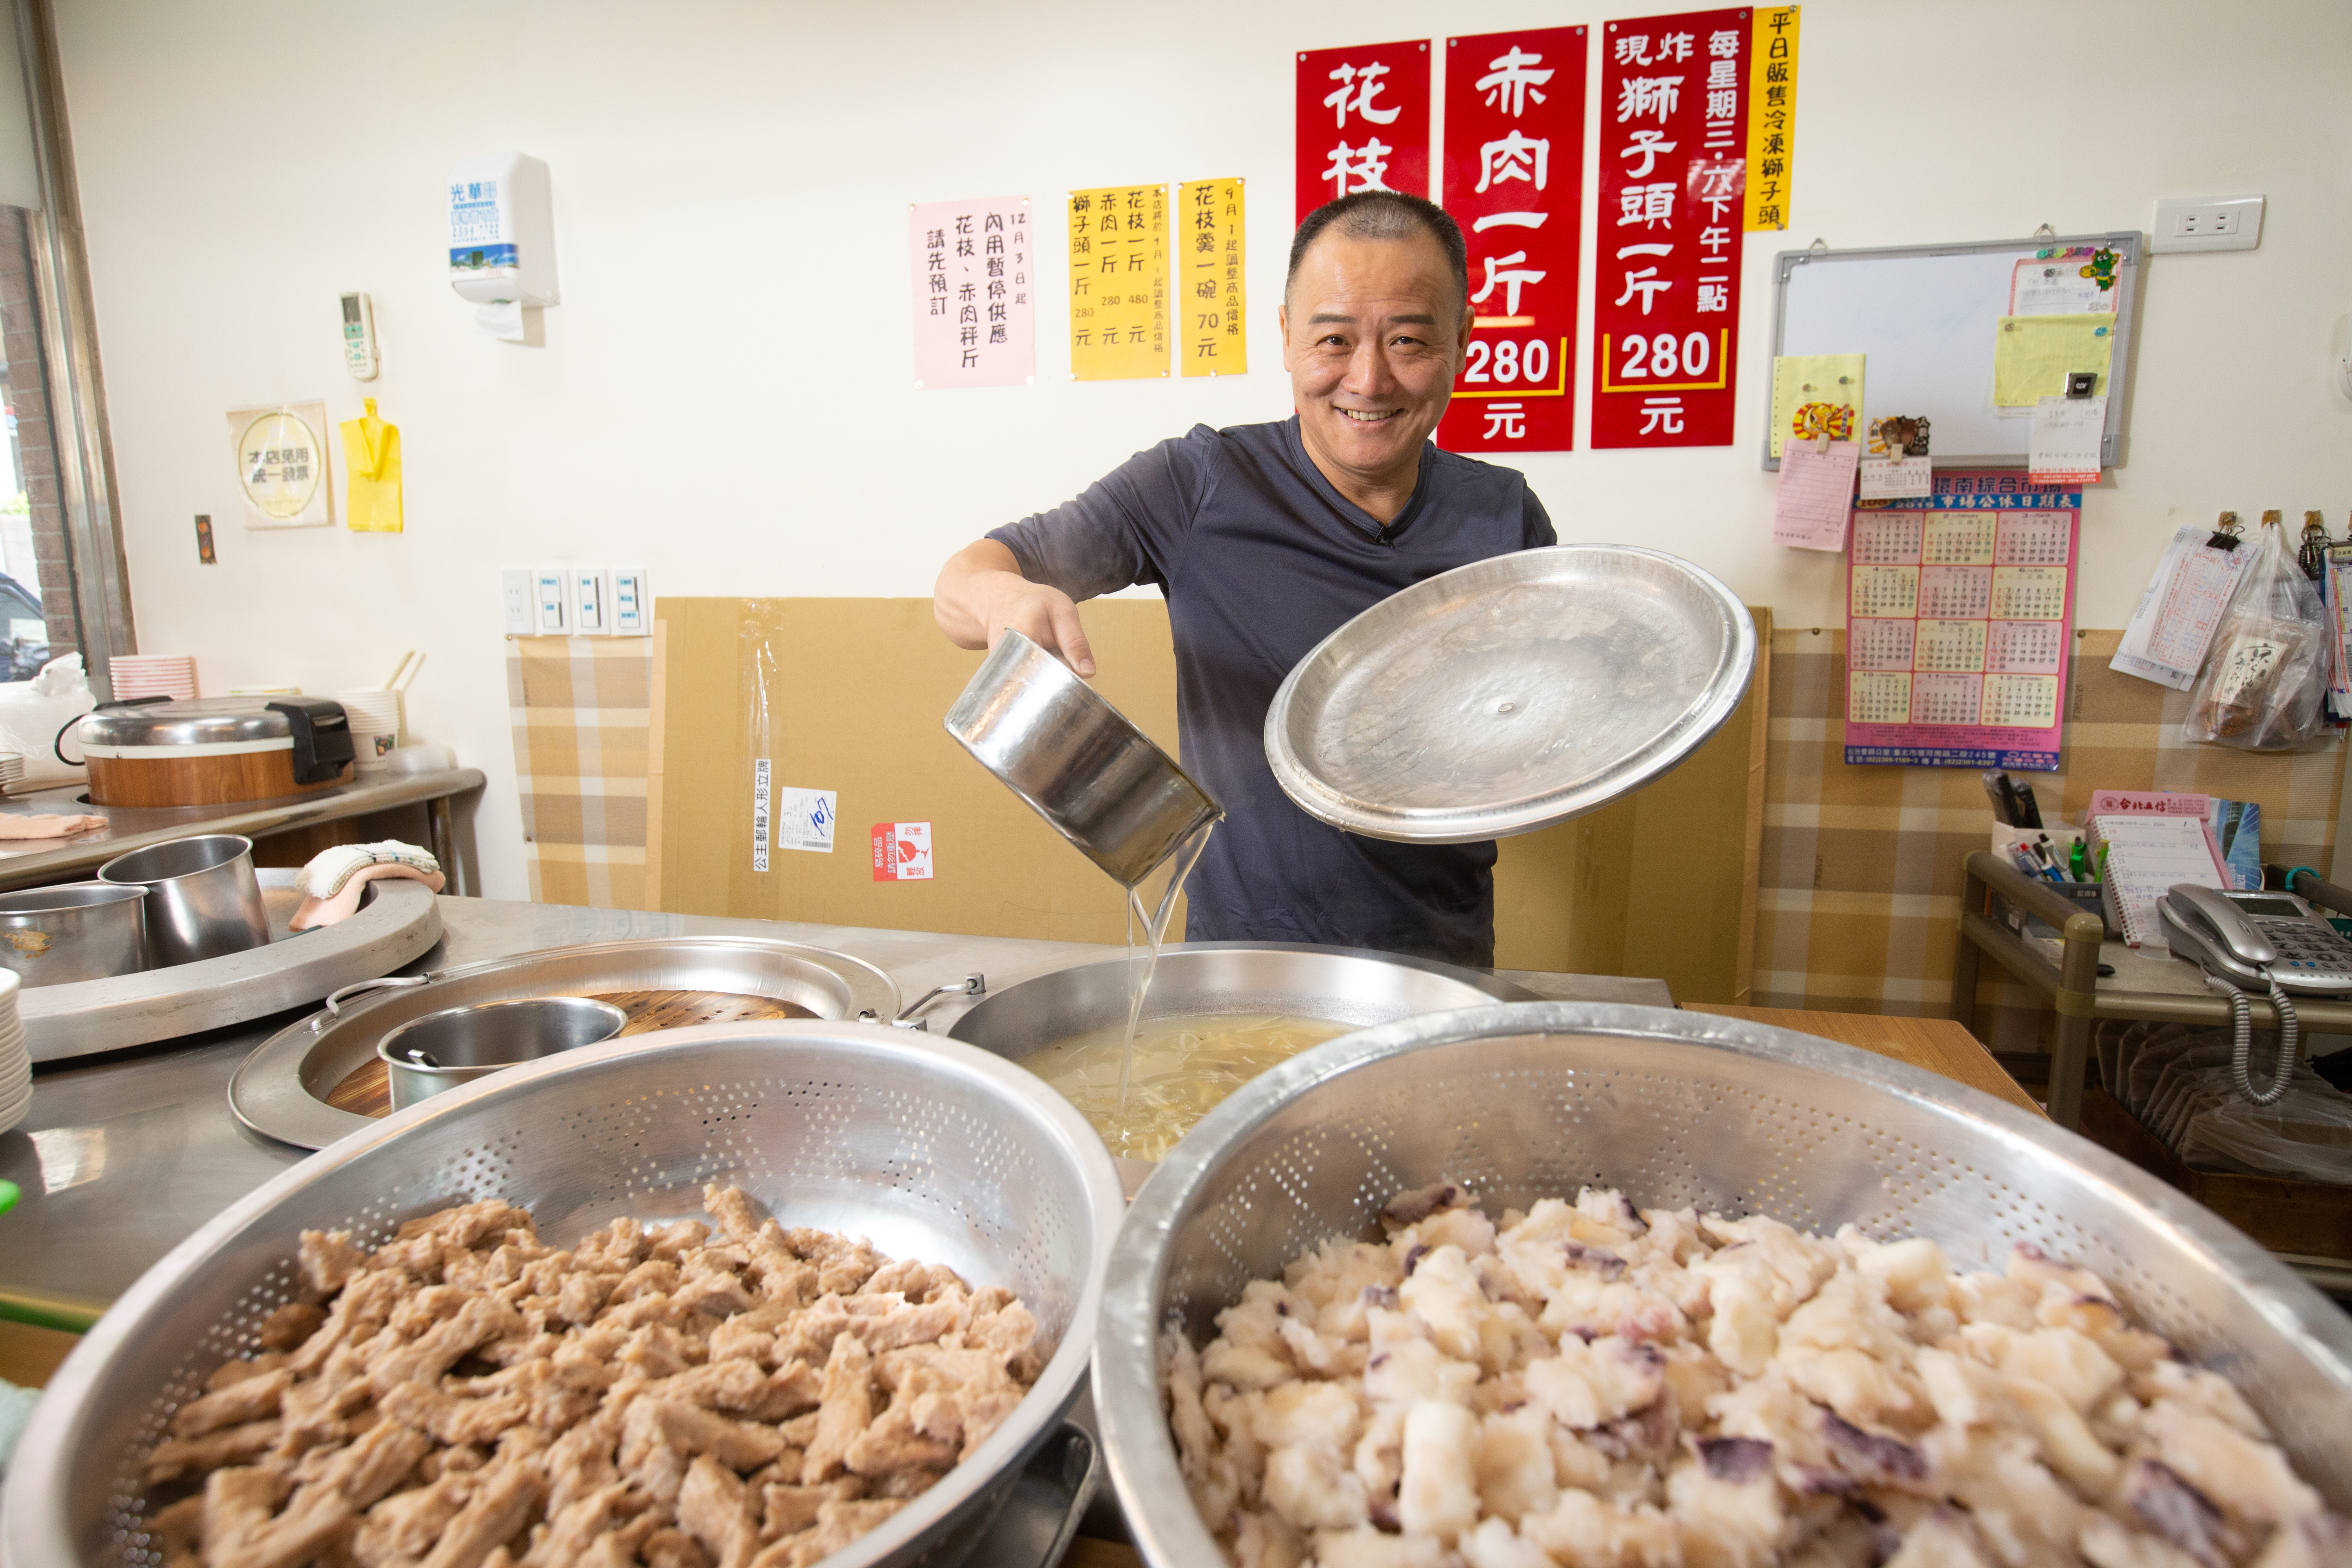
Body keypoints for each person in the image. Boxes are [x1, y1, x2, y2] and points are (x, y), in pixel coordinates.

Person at [932, 191, 1554, 967]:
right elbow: (963, 582)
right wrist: (1007, 601)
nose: (1369, 379)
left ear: (1462, 340)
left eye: (1409, 341)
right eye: (1333, 340)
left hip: (1439, 957)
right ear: (1287, 338)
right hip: (1241, 964)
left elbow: (1534, 731)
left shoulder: (1504, 519)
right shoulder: (1198, 486)